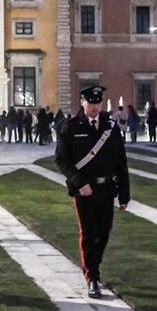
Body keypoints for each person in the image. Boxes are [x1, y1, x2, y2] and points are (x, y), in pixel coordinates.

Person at [54, 85, 130, 299]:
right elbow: (61, 159)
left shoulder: (111, 127)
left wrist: (124, 193)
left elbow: (121, 162)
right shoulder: (69, 127)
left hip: (106, 189)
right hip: (84, 191)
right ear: (83, 102)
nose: (95, 106)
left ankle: (92, 266)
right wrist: (79, 183)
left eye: (98, 102)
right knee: (88, 233)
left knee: (104, 232)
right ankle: (93, 278)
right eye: (91, 102)